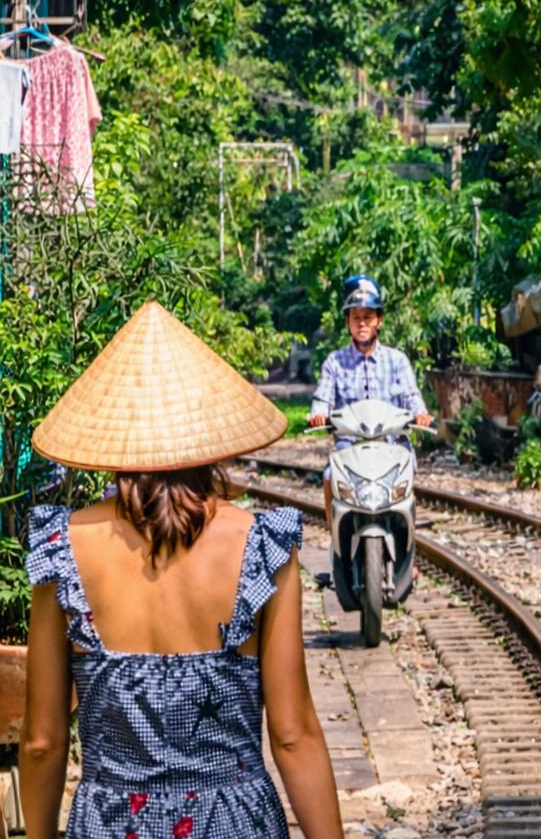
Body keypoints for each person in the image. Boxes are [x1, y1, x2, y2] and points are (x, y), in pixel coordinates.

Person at [21, 301, 343, 839]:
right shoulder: (261, 545)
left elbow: (42, 742)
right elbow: (293, 735)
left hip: (109, 824)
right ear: (206, 429)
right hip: (236, 823)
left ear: (113, 434)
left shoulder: (64, 547)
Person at [308, 274, 432, 532]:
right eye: (355, 317)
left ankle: (408, 550)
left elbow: (411, 395)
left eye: (368, 317)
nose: (362, 323)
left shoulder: (397, 361)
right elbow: (323, 397)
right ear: (347, 322)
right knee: (329, 477)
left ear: (379, 320)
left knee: (407, 484)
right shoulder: (335, 362)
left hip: (392, 445)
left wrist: (420, 414)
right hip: (350, 446)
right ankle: (337, 539)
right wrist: (318, 414)